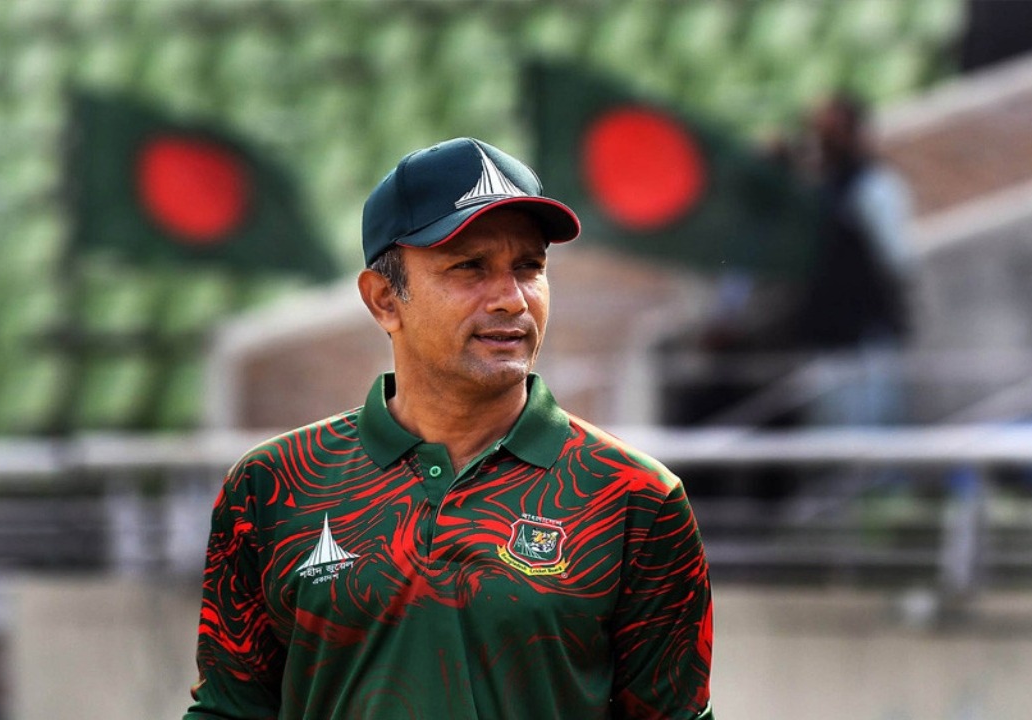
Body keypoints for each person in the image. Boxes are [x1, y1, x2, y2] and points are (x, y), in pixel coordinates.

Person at [184, 138, 714, 720]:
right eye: (470, 267)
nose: (511, 299)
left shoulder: (637, 499)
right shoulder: (271, 486)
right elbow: (229, 711)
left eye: (529, 267)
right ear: (384, 300)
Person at [791, 92, 916, 428]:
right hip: (828, 335)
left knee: (872, 425)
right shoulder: (817, 191)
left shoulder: (874, 186)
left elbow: (897, 260)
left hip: (866, 335)